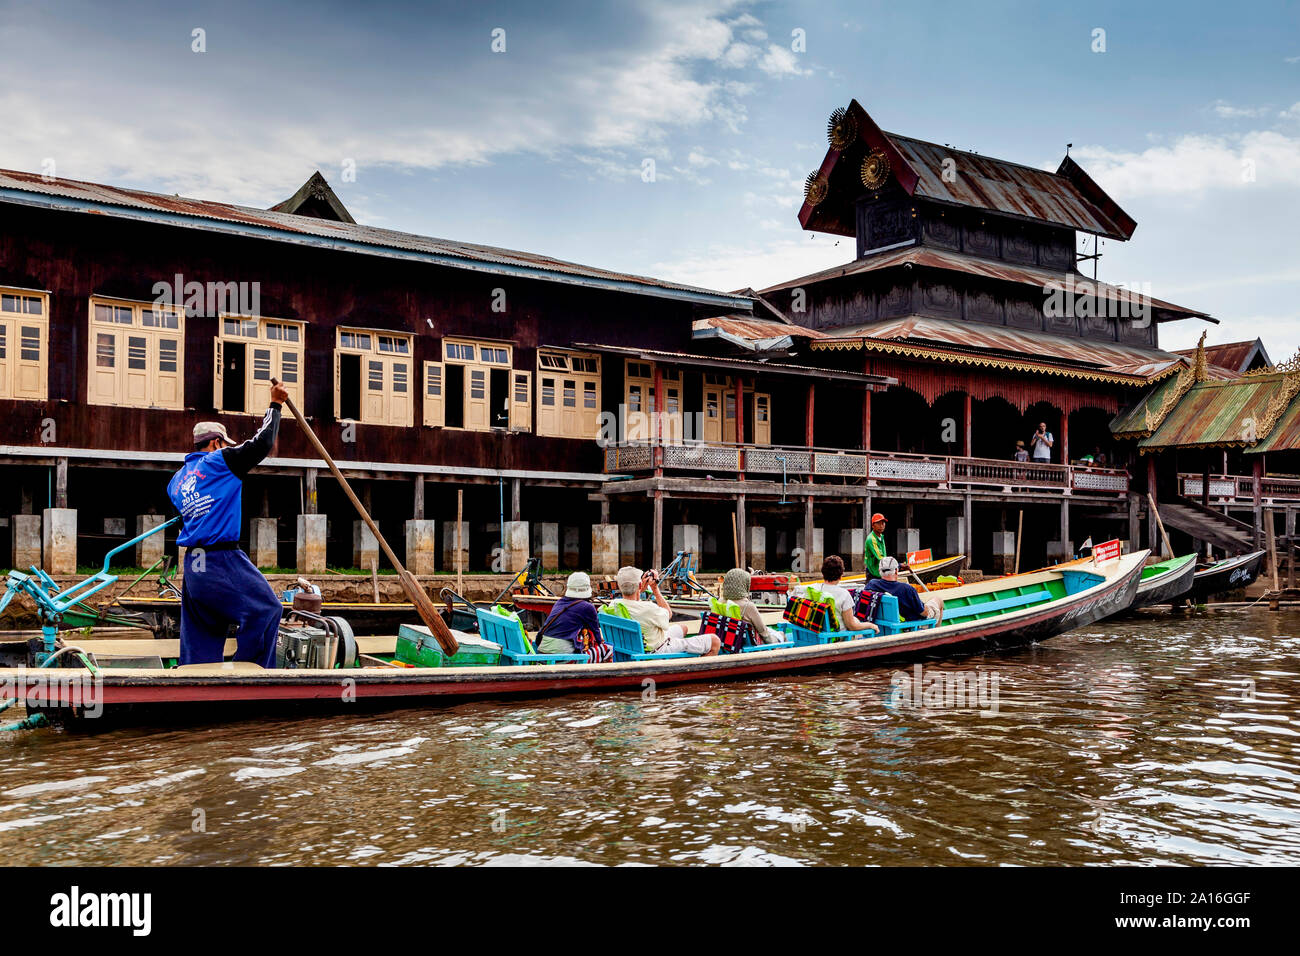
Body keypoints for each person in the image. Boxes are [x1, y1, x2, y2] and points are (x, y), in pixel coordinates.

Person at [167, 385, 288, 667]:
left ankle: (195, 681)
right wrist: (275, 405)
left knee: (202, 630)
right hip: (221, 559)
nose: (228, 448)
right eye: (225, 444)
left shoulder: (177, 480)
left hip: (194, 567)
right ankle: (252, 672)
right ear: (214, 444)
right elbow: (261, 444)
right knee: (267, 610)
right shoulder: (219, 461)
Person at [614, 565, 719, 656]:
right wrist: (655, 589)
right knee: (715, 641)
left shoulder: (614, 605)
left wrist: (638, 590)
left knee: (683, 628)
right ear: (640, 585)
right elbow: (668, 614)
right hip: (657, 650)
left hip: (639, 645)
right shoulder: (648, 608)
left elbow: (633, 603)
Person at [536, 571, 611, 662]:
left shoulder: (559, 602)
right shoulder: (588, 607)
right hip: (563, 657)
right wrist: (601, 643)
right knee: (607, 649)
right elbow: (597, 635)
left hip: (542, 654)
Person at [800, 556, 878, 633]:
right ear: (841, 576)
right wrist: (871, 625)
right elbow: (852, 626)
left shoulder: (814, 589)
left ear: (823, 573)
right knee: (859, 628)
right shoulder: (844, 594)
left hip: (817, 633)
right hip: (836, 636)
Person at [868, 556, 942, 623]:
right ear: (896, 571)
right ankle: (936, 633)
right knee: (938, 600)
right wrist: (924, 606)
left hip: (883, 624)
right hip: (910, 624)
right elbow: (924, 613)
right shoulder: (907, 589)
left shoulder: (872, 584)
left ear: (879, 571)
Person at [720, 568, 782, 645]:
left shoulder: (720, 602)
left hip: (729, 642)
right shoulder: (748, 606)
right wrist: (777, 642)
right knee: (781, 635)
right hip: (750, 644)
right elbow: (763, 632)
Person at [864, 513, 889, 581]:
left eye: (883, 523)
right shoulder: (871, 539)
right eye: (878, 523)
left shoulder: (881, 537)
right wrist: (897, 565)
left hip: (881, 572)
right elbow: (880, 557)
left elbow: (884, 555)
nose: (881, 526)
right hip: (873, 573)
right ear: (873, 525)